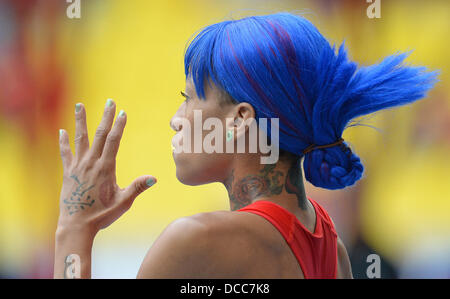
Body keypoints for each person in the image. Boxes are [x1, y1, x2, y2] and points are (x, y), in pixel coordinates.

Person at [54, 13, 437, 279]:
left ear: (240, 119)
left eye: (189, 98)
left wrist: (74, 228)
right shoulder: (330, 246)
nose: (176, 118)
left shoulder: (196, 240)